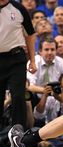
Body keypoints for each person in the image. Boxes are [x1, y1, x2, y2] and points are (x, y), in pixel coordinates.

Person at [0, 0, 36, 129]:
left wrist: (32, 60)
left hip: (16, 58)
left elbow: (30, 34)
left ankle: (18, 133)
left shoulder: (19, 8)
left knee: (18, 97)